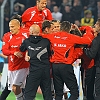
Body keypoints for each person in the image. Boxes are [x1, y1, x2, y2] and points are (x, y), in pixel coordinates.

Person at [41, 21, 94, 100]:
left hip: (55, 66)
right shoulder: (71, 37)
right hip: (65, 66)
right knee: (74, 93)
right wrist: (88, 28)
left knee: (58, 93)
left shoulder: (53, 36)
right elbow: (88, 41)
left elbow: (41, 35)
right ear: (69, 29)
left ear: (61, 28)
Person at [20, 24, 52, 100]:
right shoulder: (46, 41)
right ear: (39, 32)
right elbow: (50, 53)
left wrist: (28, 53)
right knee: (47, 93)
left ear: (31, 32)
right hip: (45, 70)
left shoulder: (26, 42)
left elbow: (22, 49)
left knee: (29, 94)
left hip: (34, 70)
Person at [2, 19, 30, 100]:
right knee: (14, 89)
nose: (10, 29)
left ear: (18, 27)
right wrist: (14, 52)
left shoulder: (25, 35)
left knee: (15, 87)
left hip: (24, 66)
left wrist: (27, 54)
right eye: (10, 27)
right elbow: (4, 50)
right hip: (12, 66)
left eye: (12, 27)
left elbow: (31, 45)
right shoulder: (7, 36)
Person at [84, 18, 100, 100]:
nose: (95, 26)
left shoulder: (97, 40)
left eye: (97, 24)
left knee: (98, 91)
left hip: (98, 67)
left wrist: (85, 49)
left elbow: (91, 54)